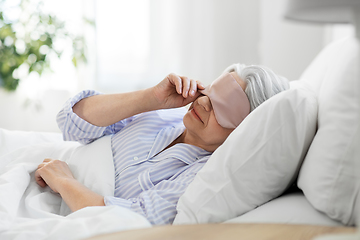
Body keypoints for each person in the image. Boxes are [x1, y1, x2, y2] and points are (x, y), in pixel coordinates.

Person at [34, 63, 289, 225]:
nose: (202, 103)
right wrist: (151, 98)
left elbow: (130, 221)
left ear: (243, 131)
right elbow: (71, 120)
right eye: (209, 91)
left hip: (54, 200)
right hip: (37, 170)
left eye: (221, 108)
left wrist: (65, 181)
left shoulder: (202, 177)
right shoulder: (162, 114)